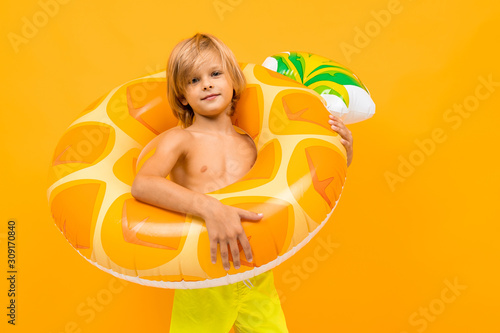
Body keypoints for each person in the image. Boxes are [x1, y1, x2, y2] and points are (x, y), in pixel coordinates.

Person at [131, 33, 353, 333]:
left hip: (256, 271)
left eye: (215, 74)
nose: (207, 84)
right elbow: (143, 184)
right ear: (183, 95)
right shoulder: (180, 139)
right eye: (194, 81)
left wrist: (343, 149)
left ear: (233, 81)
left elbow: (309, 179)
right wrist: (208, 208)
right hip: (204, 275)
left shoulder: (252, 144)